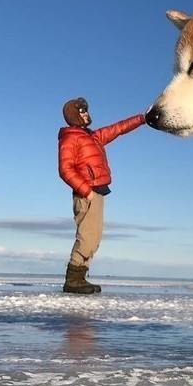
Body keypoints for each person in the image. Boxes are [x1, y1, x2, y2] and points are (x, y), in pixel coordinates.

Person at [58, 97, 145, 294]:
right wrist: (86, 191)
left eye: (86, 110)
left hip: (96, 191)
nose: (86, 113)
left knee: (93, 237)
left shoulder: (92, 137)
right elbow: (65, 169)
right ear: (74, 115)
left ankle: (79, 277)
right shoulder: (71, 138)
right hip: (87, 193)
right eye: (82, 111)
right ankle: (73, 279)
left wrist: (142, 119)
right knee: (87, 237)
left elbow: (117, 129)